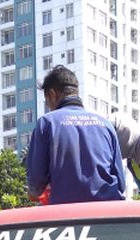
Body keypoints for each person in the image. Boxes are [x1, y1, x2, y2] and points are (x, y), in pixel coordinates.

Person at [26, 65, 125, 204]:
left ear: (52, 94)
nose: (48, 106)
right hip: (107, 213)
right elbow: (121, 183)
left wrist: (34, 192)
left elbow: (36, 183)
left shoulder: (47, 122)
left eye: (47, 101)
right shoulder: (105, 124)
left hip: (67, 215)